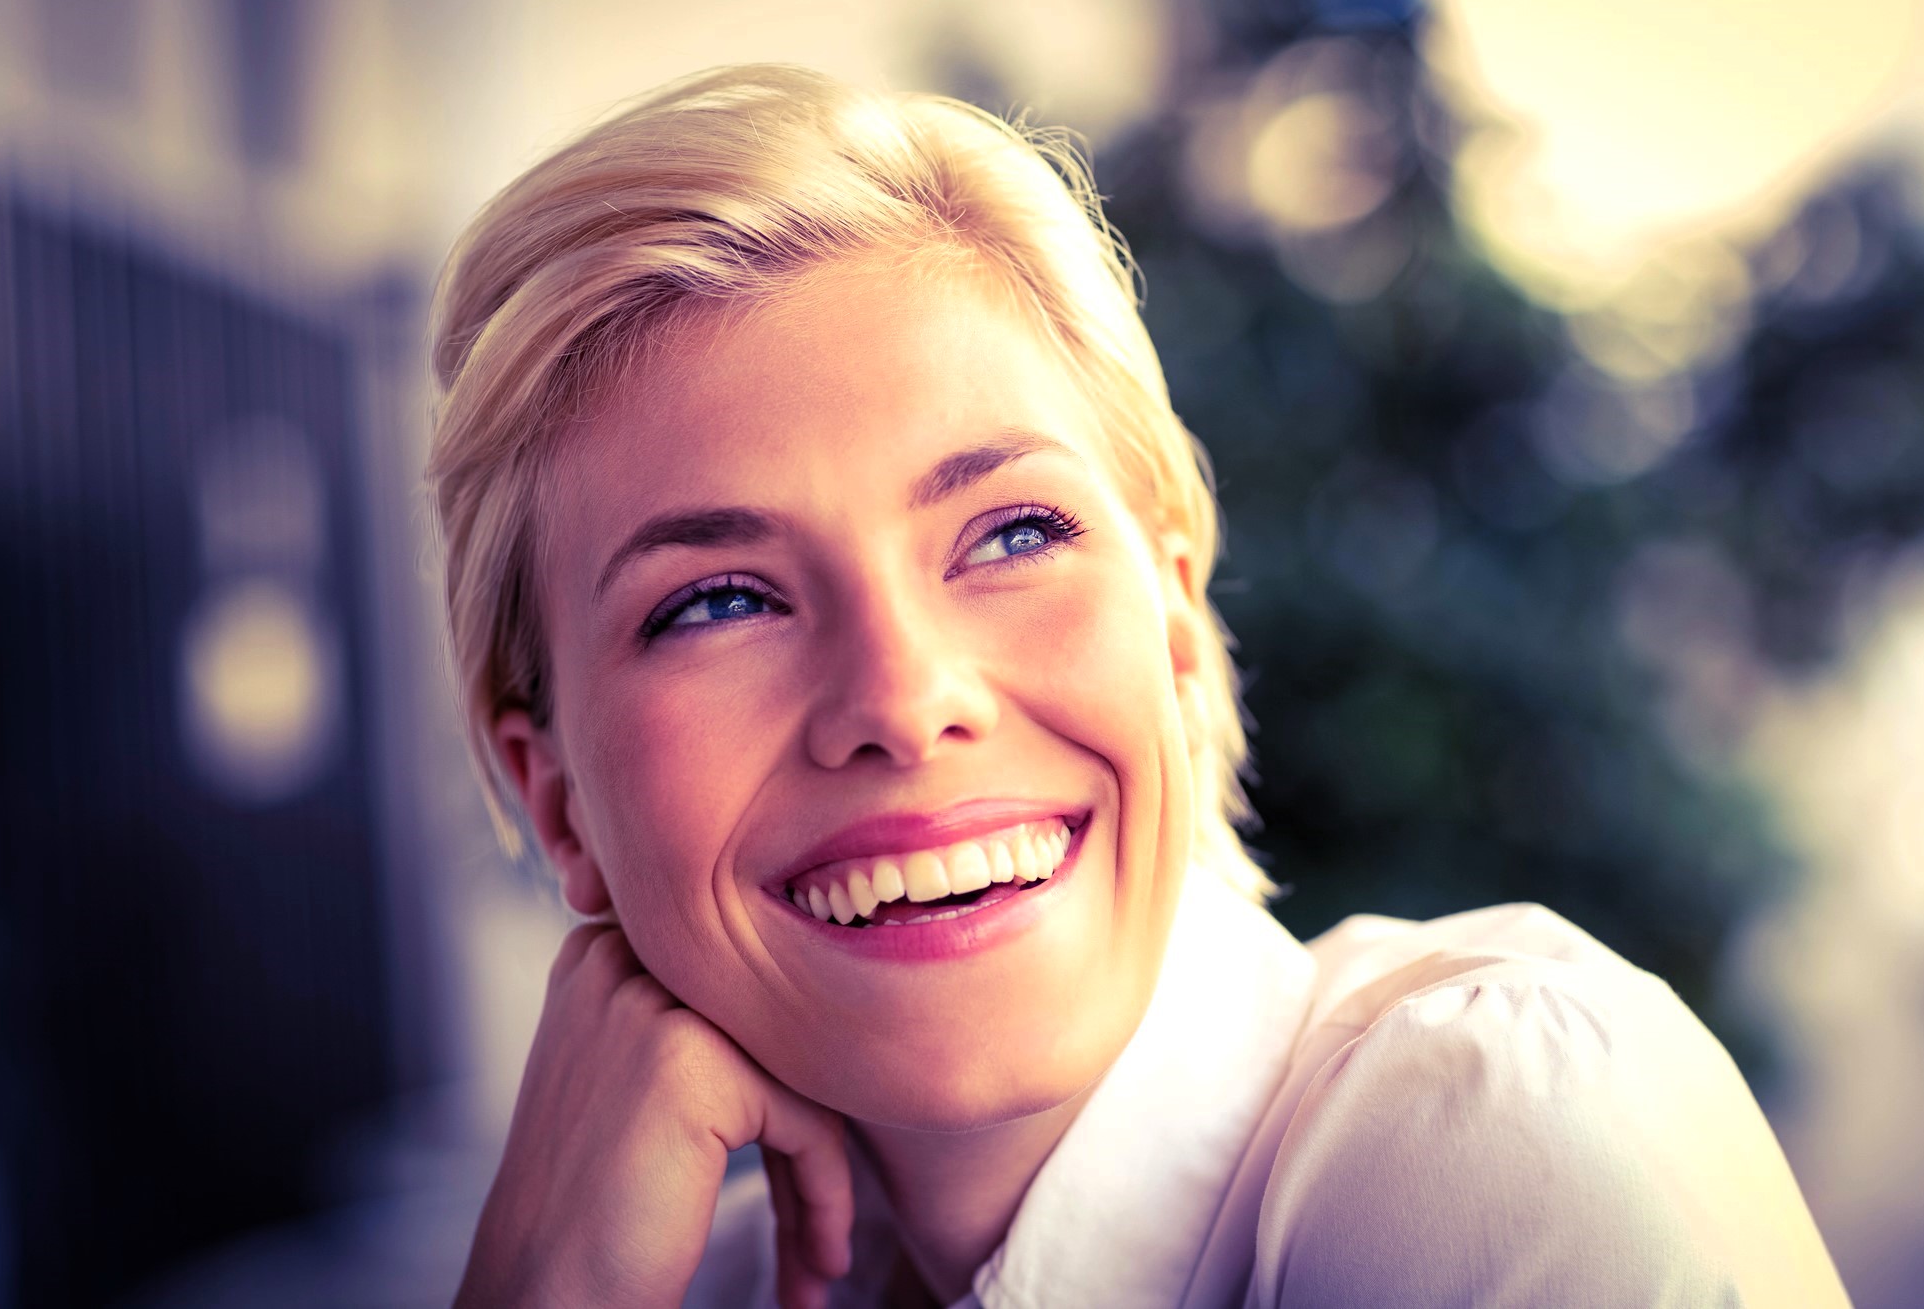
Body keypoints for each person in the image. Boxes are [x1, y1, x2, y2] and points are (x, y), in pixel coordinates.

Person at [425, 64, 1849, 1308]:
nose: (907, 699)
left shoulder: (1498, 1138)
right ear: (558, 800)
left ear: (1171, 622)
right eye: (719, 601)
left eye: (1013, 533)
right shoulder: (683, 1285)